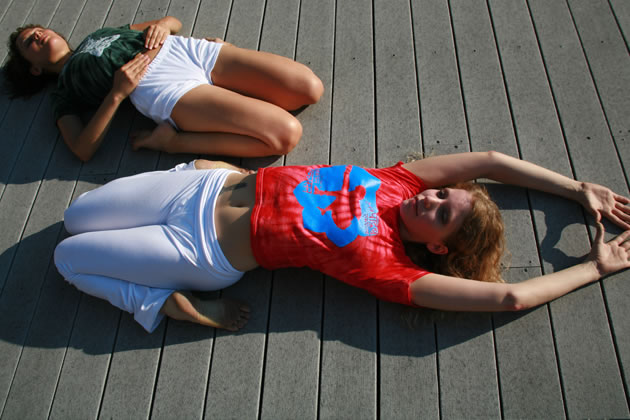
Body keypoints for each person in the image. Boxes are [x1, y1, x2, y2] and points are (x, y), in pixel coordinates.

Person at [53, 151, 630, 332]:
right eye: (441, 193)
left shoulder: (390, 267)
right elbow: (490, 161)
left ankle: (158, 304)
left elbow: (511, 298)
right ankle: (201, 171)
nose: (429, 199)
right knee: (75, 215)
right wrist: (575, 188)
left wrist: (596, 267)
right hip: (201, 185)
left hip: (202, 248)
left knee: (67, 257)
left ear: (439, 247)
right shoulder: (397, 183)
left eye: (441, 213)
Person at [4, 16, 323, 161]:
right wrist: (117, 94)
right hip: (160, 87)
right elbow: (81, 148)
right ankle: (173, 142)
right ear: (34, 68)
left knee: (310, 89)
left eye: (39, 29)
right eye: (29, 42)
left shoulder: (97, 34)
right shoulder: (63, 91)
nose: (39, 35)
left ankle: (239, 92)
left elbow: (172, 22)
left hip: (186, 51)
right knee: (285, 135)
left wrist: (162, 26)